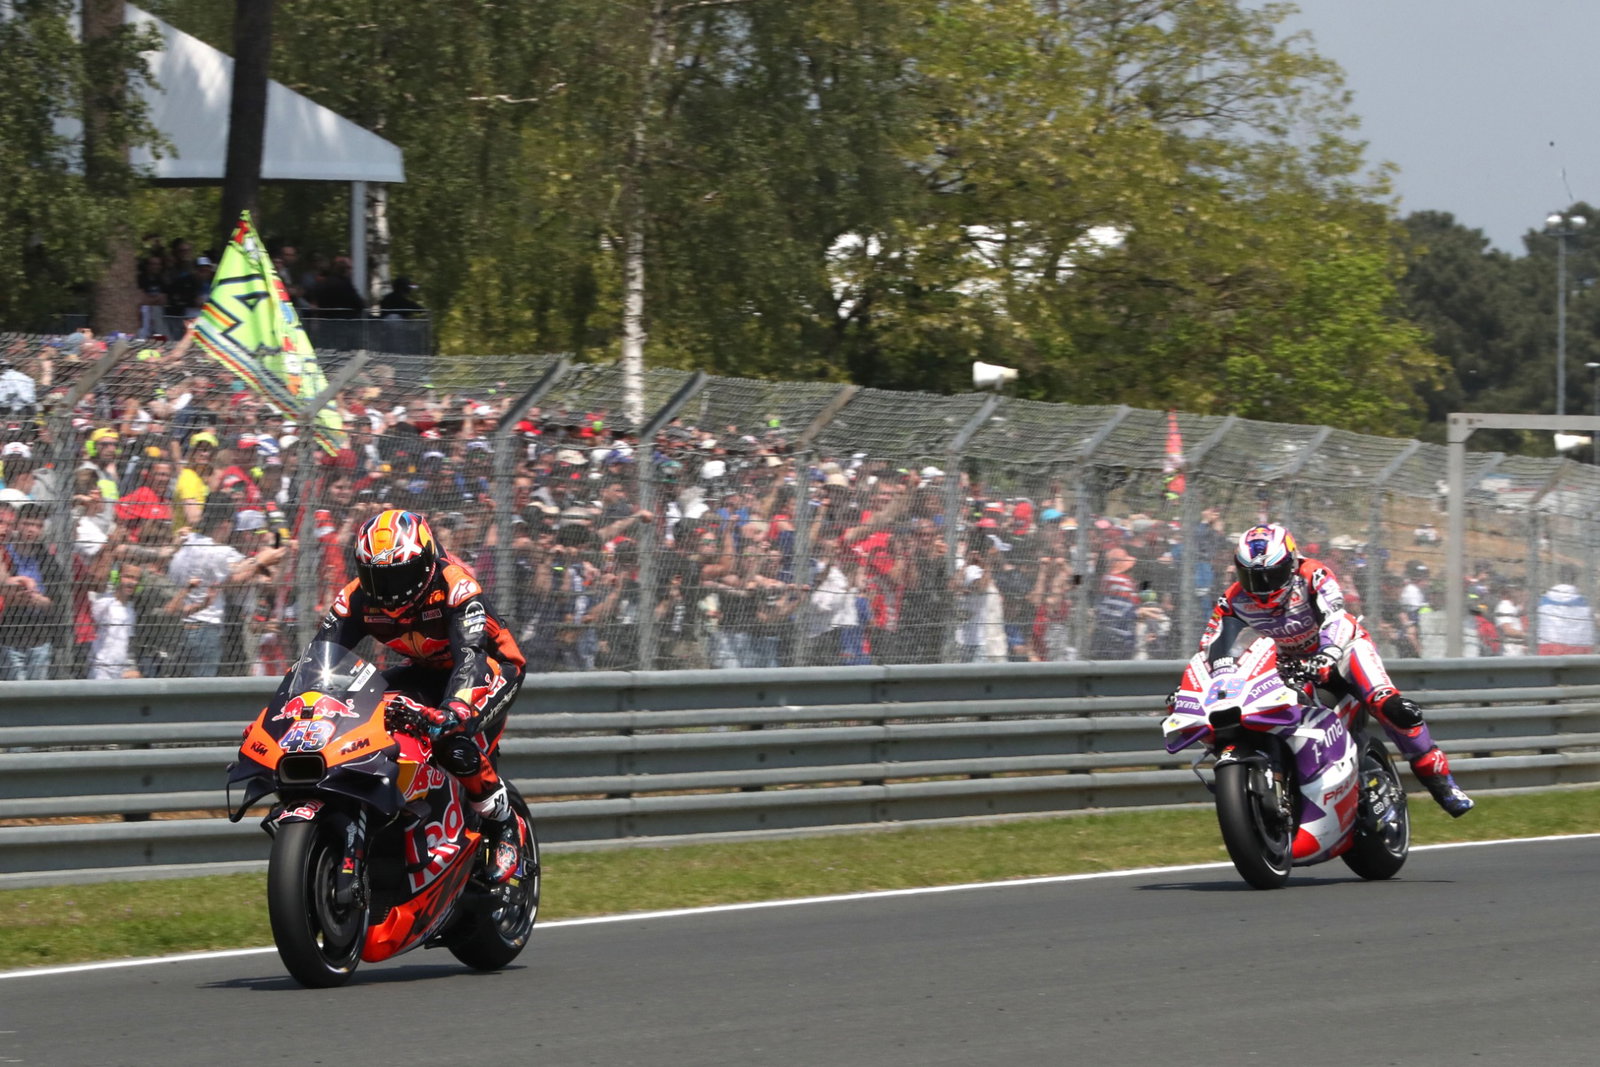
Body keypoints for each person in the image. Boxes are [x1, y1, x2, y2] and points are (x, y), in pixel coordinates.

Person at [307, 509, 530, 883]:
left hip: (492, 668)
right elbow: (319, 659)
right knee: (363, 718)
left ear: (426, 562)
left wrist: (455, 709)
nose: (389, 589)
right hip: (424, 668)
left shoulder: (456, 588)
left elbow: (471, 657)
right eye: (377, 577)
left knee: (448, 737)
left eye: (400, 575)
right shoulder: (355, 598)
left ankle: (503, 823)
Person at [1195, 524, 1473, 817]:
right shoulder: (1232, 599)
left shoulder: (1313, 575)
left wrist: (1327, 653)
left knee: (1390, 706)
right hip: (1287, 663)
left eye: (1272, 575)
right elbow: (1211, 644)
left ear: (1291, 564)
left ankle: (1442, 784)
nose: (1262, 586)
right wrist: (1207, 679)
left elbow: (1335, 617)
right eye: (1251, 577)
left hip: (1342, 650)